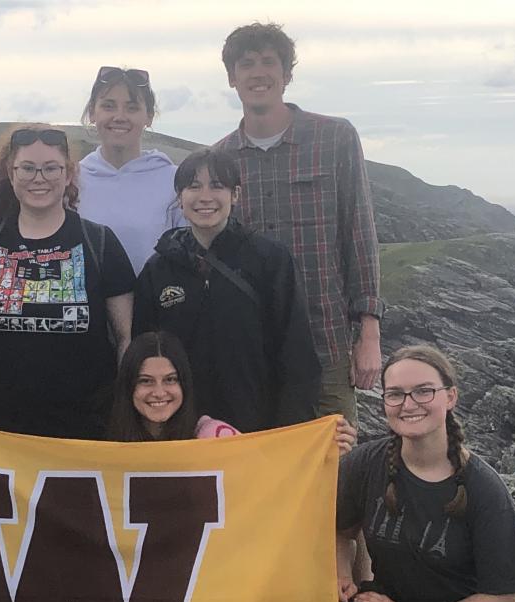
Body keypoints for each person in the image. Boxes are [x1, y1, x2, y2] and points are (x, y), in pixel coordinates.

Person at [213, 22, 382, 427]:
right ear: (232, 78)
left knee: (336, 467)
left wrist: (369, 335)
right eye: (246, 64)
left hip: (326, 347)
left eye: (269, 62)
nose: (258, 73)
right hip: (255, 356)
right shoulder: (219, 160)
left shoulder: (335, 138)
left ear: (286, 74)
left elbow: (359, 233)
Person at [0, 125, 134, 440]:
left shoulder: (100, 243)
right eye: (27, 168)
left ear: (68, 175)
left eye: (50, 168)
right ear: (11, 175)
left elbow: (127, 337)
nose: (38, 178)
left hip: (84, 429)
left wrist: (127, 412)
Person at [336, 345, 515, 602]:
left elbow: (505, 600)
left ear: (451, 396)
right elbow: (342, 532)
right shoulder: (366, 463)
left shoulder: (485, 489)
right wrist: (343, 572)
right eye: (395, 394)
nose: (408, 404)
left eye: (423, 391)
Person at [133, 148, 320, 432]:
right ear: (180, 197)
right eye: (193, 186)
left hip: (257, 427)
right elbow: (143, 357)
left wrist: (292, 431)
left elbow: (297, 353)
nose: (205, 196)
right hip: (180, 430)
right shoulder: (158, 269)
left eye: (217, 186)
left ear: (235, 194)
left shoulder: (270, 260)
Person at [107, 331, 354, 451]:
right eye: (146, 381)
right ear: (129, 386)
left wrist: (322, 448)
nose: (159, 392)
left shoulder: (214, 436)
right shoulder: (108, 444)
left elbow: (270, 473)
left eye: (171, 379)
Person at [76, 65, 181, 275]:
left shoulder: (175, 181)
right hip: (90, 305)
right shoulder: (72, 180)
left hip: (156, 305)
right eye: (109, 106)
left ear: (149, 117)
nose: (120, 116)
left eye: (132, 108)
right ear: (92, 113)